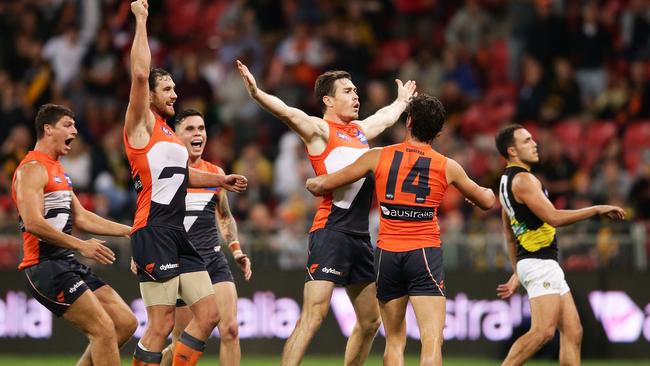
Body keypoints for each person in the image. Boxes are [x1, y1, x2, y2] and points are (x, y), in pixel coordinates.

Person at [238, 60, 417, 366]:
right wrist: (256, 93)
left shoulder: (359, 132)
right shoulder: (319, 129)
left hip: (360, 238)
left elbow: (384, 118)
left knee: (370, 322)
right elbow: (286, 111)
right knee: (314, 315)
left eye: (356, 91)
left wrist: (401, 102)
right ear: (328, 101)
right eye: (348, 91)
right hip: (331, 232)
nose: (356, 96)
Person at [306, 94, 495, 366]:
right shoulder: (447, 166)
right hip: (424, 254)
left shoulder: (378, 156)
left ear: (408, 122)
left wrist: (313, 181)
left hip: (387, 256)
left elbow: (325, 184)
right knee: (431, 340)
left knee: (394, 340)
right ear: (439, 132)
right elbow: (487, 202)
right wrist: (484, 191)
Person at [125, 2, 247, 365]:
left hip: (176, 234)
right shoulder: (141, 125)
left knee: (209, 315)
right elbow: (139, 71)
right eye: (166, 89)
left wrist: (220, 179)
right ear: (149, 95)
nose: (174, 94)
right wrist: (142, 20)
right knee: (161, 325)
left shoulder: (168, 137)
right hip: (155, 229)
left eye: (174, 88)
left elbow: (186, 177)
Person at [12, 103, 137, 366]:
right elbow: (33, 222)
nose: (75, 131)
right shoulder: (31, 169)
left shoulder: (58, 170)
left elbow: (82, 217)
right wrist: (80, 245)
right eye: (68, 125)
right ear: (48, 129)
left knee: (125, 323)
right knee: (102, 329)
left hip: (67, 263)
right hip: (44, 266)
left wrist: (129, 230)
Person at [494, 124, 626, 366]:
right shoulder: (523, 180)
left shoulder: (505, 182)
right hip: (539, 262)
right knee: (543, 332)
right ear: (512, 151)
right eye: (527, 141)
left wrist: (517, 271)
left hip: (538, 262)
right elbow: (553, 217)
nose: (534, 144)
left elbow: (509, 233)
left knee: (573, 331)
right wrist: (596, 209)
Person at [155, 109, 252, 366]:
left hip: (212, 259)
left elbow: (224, 215)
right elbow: (148, 217)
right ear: (176, 135)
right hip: (181, 264)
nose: (198, 133)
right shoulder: (165, 174)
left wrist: (236, 249)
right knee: (179, 342)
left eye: (201, 128)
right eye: (190, 129)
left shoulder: (215, 173)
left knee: (230, 330)